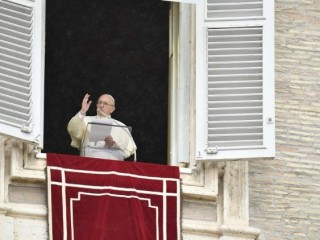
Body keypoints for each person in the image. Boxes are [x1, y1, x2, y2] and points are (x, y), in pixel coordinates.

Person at [67, 93, 137, 161]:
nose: (101, 105)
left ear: (112, 109)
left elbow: (127, 151)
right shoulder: (85, 120)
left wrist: (113, 144)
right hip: (89, 164)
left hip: (112, 167)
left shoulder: (121, 126)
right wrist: (82, 111)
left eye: (105, 103)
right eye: (99, 102)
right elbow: (72, 129)